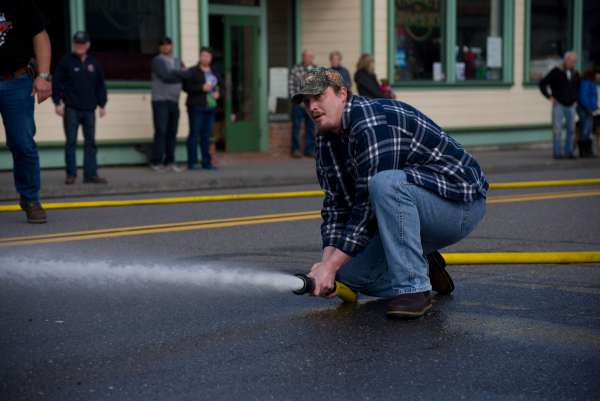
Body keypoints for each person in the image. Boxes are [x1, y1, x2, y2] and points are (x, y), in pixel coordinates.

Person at [291, 68, 488, 318]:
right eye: (306, 101)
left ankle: (413, 288)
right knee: (350, 276)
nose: (312, 107)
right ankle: (423, 265)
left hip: (460, 205)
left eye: (319, 96)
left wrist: (330, 266)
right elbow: (336, 205)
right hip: (411, 210)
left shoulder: (371, 122)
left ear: (342, 94)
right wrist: (326, 267)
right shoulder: (326, 139)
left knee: (385, 184)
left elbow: (366, 209)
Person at [0, 0, 52, 223]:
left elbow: (40, 35)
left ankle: (30, 199)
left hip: (16, 81)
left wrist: (43, 76)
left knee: (23, 144)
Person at [52, 31, 108, 185]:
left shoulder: (94, 63)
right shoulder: (66, 62)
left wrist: (102, 104)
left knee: (91, 143)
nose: (80, 46)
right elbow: (56, 82)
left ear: (88, 45)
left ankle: (91, 175)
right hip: (71, 109)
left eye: (82, 43)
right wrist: (57, 102)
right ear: (73, 44)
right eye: (77, 43)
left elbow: (100, 85)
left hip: (90, 109)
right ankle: (71, 175)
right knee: (71, 142)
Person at [182, 47, 222, 170]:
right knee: (194, 134)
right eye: (203, 55)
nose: (205, 58)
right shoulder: (192, 71)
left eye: (208, 56)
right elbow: (186, 87)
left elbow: (222, 86)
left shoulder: (214, 72)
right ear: (200, 57)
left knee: (207, 136)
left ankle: (206, 162)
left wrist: (219, 94)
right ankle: (192, 162)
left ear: (211, 58)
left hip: (210, 107)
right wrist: (201, 88)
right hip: (196, 107)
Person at [150, 37, 184, 172]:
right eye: (163, 45)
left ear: (172, 46)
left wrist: (179, 74)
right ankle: (156, 161)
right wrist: (180, 74)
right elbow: (165, 76)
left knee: (172, 131)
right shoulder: (157, 60)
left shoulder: (177, 61)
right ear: (160, 48)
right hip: (160, 100)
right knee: (161, 131)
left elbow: (186, 75)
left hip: (174, 101)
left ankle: (170, 161)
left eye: (168, 44)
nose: (166, 47)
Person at [539, 51, 580, 159]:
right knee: (557, 130)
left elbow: (577, 87)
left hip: (571, 105)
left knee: (571, 130)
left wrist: (576, 99)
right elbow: (542, 83)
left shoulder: (575, 73)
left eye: (574, 61)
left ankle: (569, 152)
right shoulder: (556, 71)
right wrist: (549, 96)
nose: (573, 63)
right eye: (571, 61)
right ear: (566, 60)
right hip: (559, 104)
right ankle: (557, 153)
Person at [288, 50, 316, 158]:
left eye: (308, 56)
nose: (306, 58)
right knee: (296, 127)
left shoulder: (316, 70)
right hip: (298, 104)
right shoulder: (296, 69)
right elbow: (291, 86)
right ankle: (295, 150)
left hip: (311, 104)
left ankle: (309, 150)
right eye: (304, 56)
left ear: (312, 58)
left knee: (310, 127)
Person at [576, 69, 597, 158]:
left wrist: (594, 107)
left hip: (590, 109)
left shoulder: (591, 83)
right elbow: (583, 96)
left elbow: (593, 96)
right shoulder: (585, 83)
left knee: (588, 129)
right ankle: (583, 151)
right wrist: (588, 107)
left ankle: (588, 151)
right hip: (584, 109)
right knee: (585, 129)